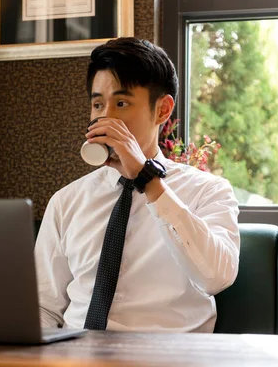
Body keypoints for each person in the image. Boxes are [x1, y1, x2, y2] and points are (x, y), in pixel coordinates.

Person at [34, 37, 240, 332]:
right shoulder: (67, 201)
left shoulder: (208, 191)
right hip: (76, 356)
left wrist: (148, 180)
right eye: (97, 104)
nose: (105, 117)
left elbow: (216, 277)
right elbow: (43, 306)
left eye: (121, 103)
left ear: (162, 110)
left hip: (166, 358)